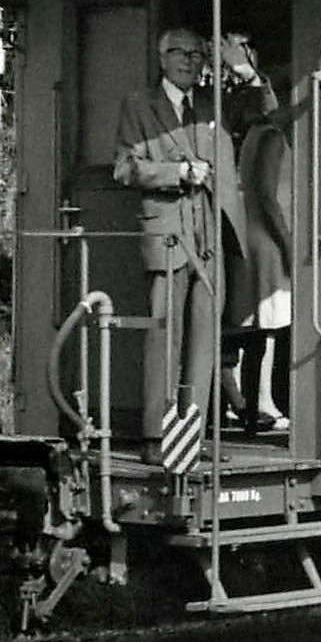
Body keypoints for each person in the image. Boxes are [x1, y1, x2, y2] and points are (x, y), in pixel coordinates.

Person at [113, 28, 271, 463]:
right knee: (164, 336)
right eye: (179, 53)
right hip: (167, 234)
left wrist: (240, 66)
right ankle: (154, 439)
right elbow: (125, 168)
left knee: (204, 338)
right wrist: (177, 172)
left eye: (197, 54)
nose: (188, 60)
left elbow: (265, 110)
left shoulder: (211, 106)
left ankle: (193, 438)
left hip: (209, 236)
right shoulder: (138, 105)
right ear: (161, 58)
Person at [227, 63, 294, 433]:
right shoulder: (272, 138)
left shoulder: (255, 133)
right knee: (267, 325)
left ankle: (239, 400)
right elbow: (269, 196)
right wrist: (287, 242)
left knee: (249, 322)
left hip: (250, 232)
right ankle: (262, 402)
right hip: (267, 238)